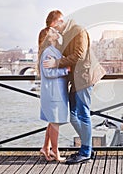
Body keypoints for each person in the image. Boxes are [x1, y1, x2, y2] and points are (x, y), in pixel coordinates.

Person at [43, 10, 106, 164]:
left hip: (84, 78)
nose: (55, 30)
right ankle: (88, 147)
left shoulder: (78, 30)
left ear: (59, 21)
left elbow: (79, 55)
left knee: (83, 114)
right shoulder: (67, 34)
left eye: (55, 27)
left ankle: (85, 152)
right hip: (76, 79)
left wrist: (56, 63)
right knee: (73, 115)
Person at [38, 26, 69, 162]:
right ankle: (55, 152)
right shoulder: (47, 53)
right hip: (53, 94)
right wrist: (65, 71)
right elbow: (48, 73)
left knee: (53, 122)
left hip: (56, 92)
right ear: (48, 38)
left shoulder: (54, 50)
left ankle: (47, 148)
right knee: (55, 122)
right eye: (52, 31)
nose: (56, 31)